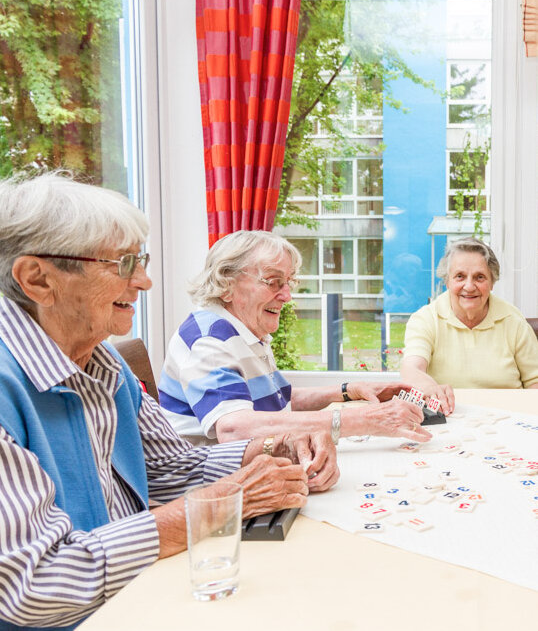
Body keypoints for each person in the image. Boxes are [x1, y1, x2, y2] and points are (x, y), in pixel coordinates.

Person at [0, 172, 339, 631]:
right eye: (122, 264)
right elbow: (35, 585)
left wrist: (268, 448)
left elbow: (168, 470)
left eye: (140, 260)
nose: (145, 281)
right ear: (38, 279)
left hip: (145, 591)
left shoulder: (102, 363)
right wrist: (219, 503)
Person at [159, 230, 431, 446]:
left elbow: (277, 401)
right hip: (215, 489)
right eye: (273, 281)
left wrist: (348, 391)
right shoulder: (210, 340)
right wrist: (365, 419)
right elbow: (234, 428)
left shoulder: (242, 329)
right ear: (227, 283)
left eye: (288, 282)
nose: (287, 296)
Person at [400, 237, 538, 415]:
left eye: (479, 277)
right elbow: (411, 368)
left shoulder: (513, 320)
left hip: (508, 415)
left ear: (492, 282)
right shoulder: (426, 319)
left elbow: (535, 381)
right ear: (447, 280)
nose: (469, 286)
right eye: (460, 276)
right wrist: (427, 385)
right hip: (448, 416)